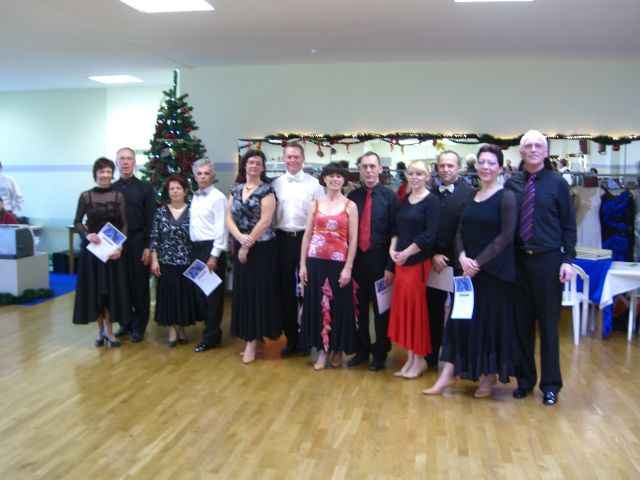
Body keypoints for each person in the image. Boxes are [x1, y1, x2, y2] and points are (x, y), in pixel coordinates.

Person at [424, 145, 517, 397]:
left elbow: (505, 236)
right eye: (482, 162)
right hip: (466, 272)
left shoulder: (506, 197)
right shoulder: (471, 195)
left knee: (488, 324)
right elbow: (460, 231)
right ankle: (448, 375)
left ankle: (489, 376)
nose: (485, 167)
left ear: (499, 168)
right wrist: (462, 256)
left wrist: (478, 263)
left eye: (491, 163)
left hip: (493, 274)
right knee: (459, 321)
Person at [505, 130, 577, 406]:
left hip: (548, 262)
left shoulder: (557, 183)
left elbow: (569, 224)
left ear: (545, 152)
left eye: (538, 145)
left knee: (548, 327)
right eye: (528, 145)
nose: (533, 149)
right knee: (521, 326)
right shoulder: (512, 183)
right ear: (521, 152)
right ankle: (524, 381)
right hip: (518, 262)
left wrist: (568, 260)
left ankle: (550, 386)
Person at [299, 162, 359, 370]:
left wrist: (348, 267)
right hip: (315, 262)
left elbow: (353, 239)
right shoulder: (314, 204)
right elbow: (307, 236)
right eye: (331, 176)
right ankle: (322, 351)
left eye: (339, 176)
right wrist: (302, 265)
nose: (335, 179)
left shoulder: (350, 206)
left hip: (339, 263)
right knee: (318, 307)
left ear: (343, 180)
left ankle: (337, 349)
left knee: (339, 307)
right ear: (324, 179)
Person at [226, 150, 281, 364]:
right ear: (245, 165)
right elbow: (228, 217)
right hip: (241, 244)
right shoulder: (235, 189)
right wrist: (240, 238)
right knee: (244, 293)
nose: (254, 166)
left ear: (263, 167)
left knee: (257, 294)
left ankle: (252, 341)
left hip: (262, 249)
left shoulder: (267, 190)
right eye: (251, 162)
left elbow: (265, 221)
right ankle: (253, 338)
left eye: (258, 163)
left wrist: (247, 244)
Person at [347, 152, 399, 371]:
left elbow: (396, 232)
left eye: (372, 166)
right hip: (357, 260)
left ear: (380, 169)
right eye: (364, 166)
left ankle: (380, 352)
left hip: (380, 260)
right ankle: (362, 349)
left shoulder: (390, 197)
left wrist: (390, 266)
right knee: (358, 307)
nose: (368, 170)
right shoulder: (353, 197)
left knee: (381, 310)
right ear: (360, 169)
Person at [387, 160, 439, 379]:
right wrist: (392, 250)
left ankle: (420, 359)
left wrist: (407, 253)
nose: (415, 177)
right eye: (411, 173)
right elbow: (396, 229)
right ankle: (410, 358)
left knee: (416, 311)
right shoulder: (405, 200)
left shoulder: (431, 200)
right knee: (405, 310)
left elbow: (429, 235)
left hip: (417, 263)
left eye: (419, 174)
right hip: (401, 262)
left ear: (427, 177)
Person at [272, 143, 325, 356]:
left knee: (308, 289)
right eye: (289, 157)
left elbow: (321, 215)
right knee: (286, 291)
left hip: (307, 238)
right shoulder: (275, 184)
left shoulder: (314, 184)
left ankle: (308, 338)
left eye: (296, 157)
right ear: (284, 159)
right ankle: (292, 339)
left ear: (303, 159)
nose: (292, 160)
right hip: (282, 240)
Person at [72, 157, 130, 347]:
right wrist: (87, 235)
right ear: (95, 174)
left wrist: (120, 247)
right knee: (96, 292)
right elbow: (77, 222)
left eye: (108, 171)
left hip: (112, 253)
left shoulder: (118, 196)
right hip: (92, 253)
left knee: (110, 293)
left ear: (112, 174)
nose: (105, 175)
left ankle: (110, 331)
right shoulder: (85, 196)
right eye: (101, 171)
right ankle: (99, 332)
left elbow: (124, 224)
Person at [425, 150, 473, 368]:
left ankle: (457, 360)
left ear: (459, 168)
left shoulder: (470, 195)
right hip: (435, 265)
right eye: (442, 165)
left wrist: (459, 259)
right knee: (432, 312)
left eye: (450, 165)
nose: (445, 169)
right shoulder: (430, 195)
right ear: (437, 168)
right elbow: (427, 229)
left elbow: (467, 231)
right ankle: (431, 357)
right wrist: (433, 255)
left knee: (459, 313)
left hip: (460, 266)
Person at [112, 147, 156, 343]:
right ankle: (125, 323)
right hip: (117, 243)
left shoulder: (145, 188)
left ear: (134, 162)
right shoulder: (111, 189)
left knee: (139, 286)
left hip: (139, 240)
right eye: (122, 158)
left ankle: (139, 327)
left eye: (129, 158)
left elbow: (151, 220)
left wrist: (148, 247)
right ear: (117, 163)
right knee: (121, 285)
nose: (125, 162)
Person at [149, 175, 195, 347]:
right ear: (168, 192)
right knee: (169, 298)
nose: (175, 192)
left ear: (185, 191)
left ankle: (182, 328)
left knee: (183, 298)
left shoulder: (192, 211)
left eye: (178, 188)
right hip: (166, 262)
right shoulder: (161, 212)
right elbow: (154, 237)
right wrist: (154, 260)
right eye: (172, 189)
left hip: (186, 262)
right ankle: (172, 331)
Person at [190, 158, 229, 352]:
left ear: (213, 176)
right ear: (195, 176)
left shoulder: (218, 198)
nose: (203, 177)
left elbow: (222, 229)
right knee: (200, 294)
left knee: (212, 296)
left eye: (206, 173)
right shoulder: (195, 196)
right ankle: (213, 332)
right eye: (199, 174)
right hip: (196, 249)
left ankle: (210, 337)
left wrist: (214, 256)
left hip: (211, 250)